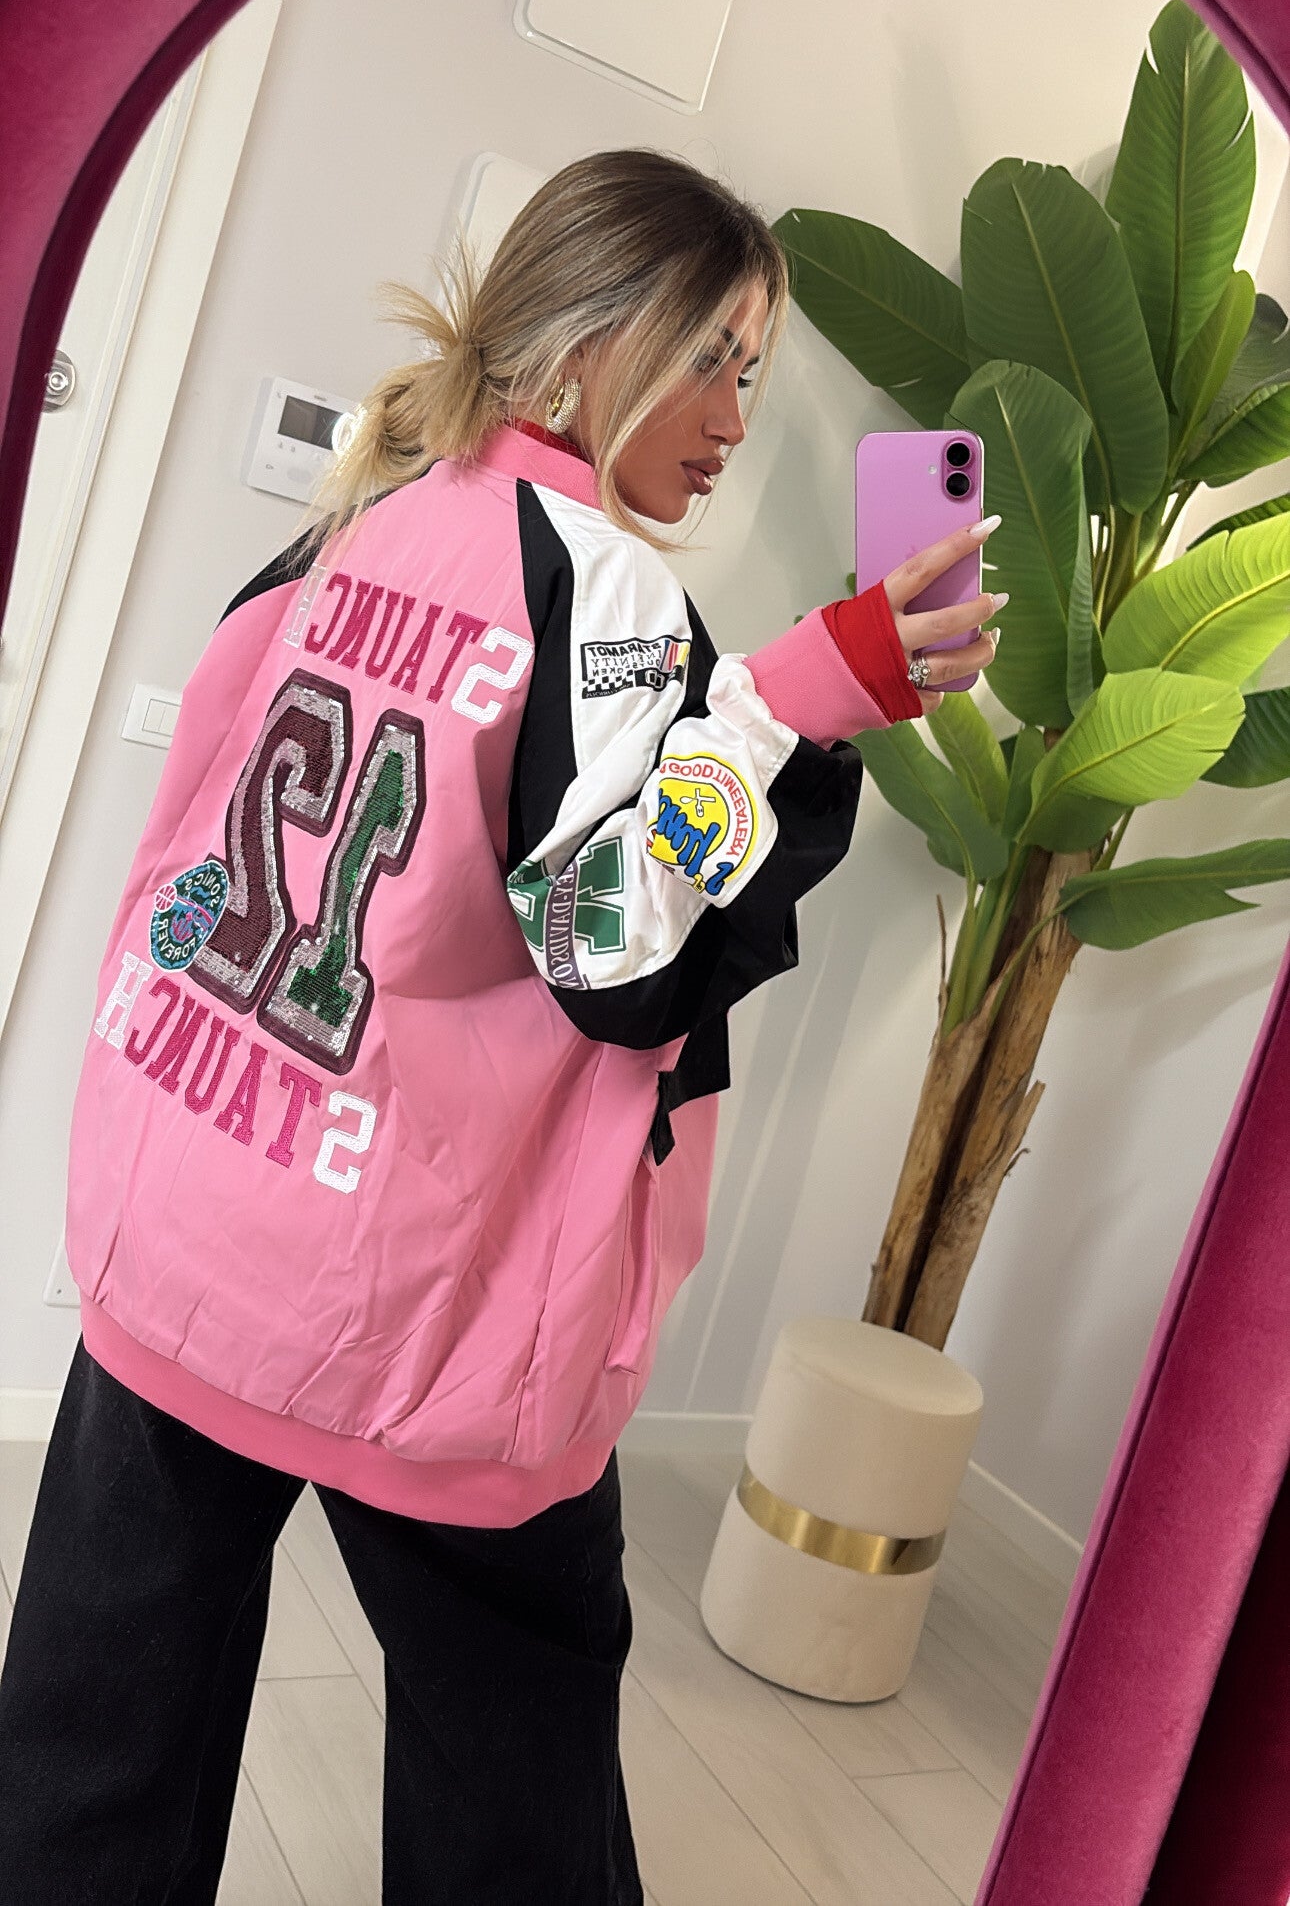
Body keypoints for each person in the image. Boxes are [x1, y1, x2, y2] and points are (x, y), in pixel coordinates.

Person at [0, 147, 1002, 1904]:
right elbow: (609, 946)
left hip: (194, 1230)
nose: (734, 418)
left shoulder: (361, 513)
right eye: (707, 359)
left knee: (91, 1745)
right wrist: (788, 696)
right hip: (424, 1305)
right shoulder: (602, 585)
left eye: (751, 374)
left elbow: (193, 842)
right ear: (588, 341)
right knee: (516, 1744)